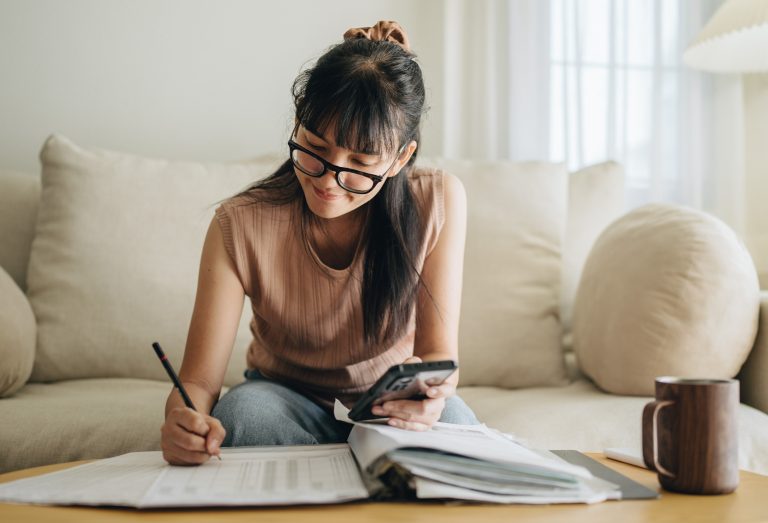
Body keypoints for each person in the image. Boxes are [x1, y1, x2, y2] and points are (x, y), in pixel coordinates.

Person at [160, 20, 479, 466]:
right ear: (297, 122)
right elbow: (198, 382)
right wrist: (182, 418)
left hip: (389, 402)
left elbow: (439, 356)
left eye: (360, 163)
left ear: (400, 159)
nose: (329, 181)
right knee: (242, 418)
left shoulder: (437, 200)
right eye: (314, 148)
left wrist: (431, 395)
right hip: (283, 397)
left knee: (457, 427)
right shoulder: (240, 222)